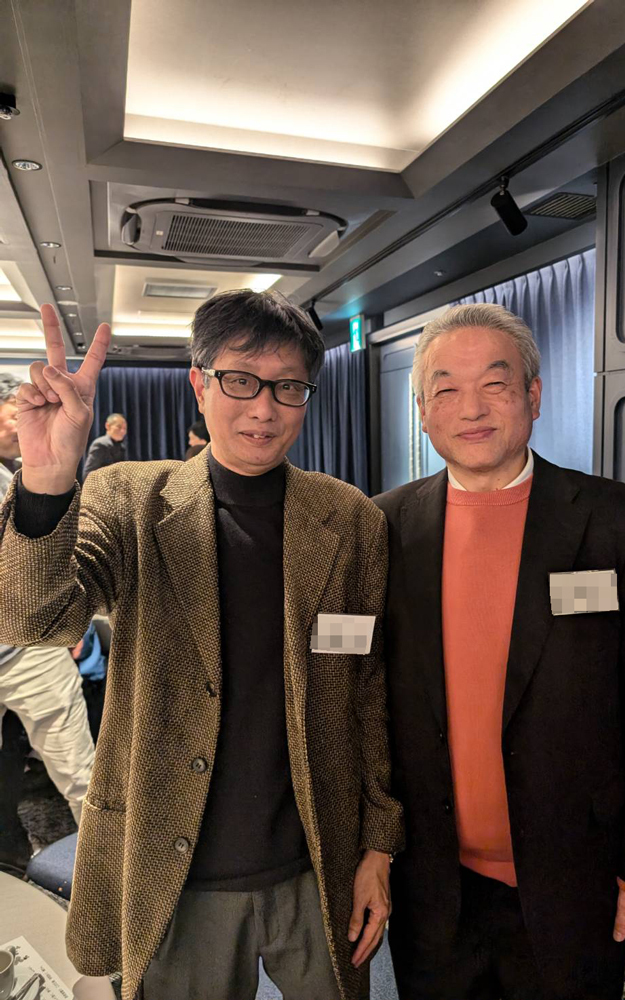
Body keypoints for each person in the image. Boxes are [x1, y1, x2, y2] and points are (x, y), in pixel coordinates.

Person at [0, 293, 402, 1000]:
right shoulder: (130, 500)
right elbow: (36, 621)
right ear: (199, 382)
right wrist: (47, 482)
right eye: (240, 380)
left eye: (287, 387)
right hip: (175, 869)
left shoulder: (349, 519)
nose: (263, 408)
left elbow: (366, 691)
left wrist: (379, 844)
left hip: (317, 860)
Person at [373, 303, 625, 1000]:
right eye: (446, 390)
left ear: (534, 395)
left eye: (495, 383)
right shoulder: (384, 524)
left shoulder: (614, 519)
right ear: (422, 411)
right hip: (432, 881)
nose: (471, 409)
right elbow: (363, 699)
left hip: (573, 878)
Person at [0, 372, 95, 871]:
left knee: (80, 772)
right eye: (14, 412)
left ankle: (111, 880)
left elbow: (55, 560)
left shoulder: (24, 475)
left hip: (29, 651)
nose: (20, 423)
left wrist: (66, 620)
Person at [81, 412, 127, 480]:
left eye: (124, 428)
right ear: (107, 426)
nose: (123, 431)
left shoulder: (122, 447)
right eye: (119, 427)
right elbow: (88, 474)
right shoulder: (100, 444)